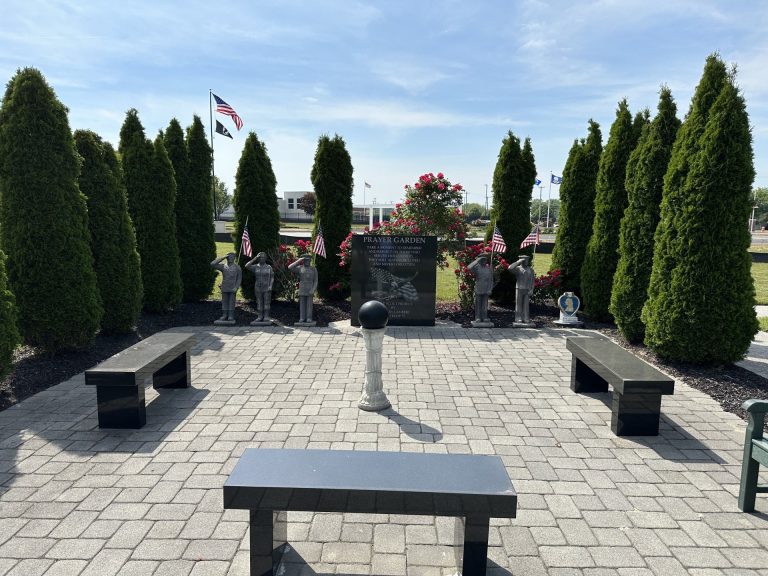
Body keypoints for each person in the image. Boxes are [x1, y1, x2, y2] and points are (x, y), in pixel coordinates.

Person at [210, 253, 242, 322]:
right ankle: (224, 315)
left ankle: (231, 315)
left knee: (231, 302)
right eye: (229, 257)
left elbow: (239, 279)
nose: (230, 258)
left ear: (234, 258)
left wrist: (236, 287)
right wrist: (223, 257)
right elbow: (212, 264)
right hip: (225, 286)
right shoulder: (223, 266)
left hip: (233, 287)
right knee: (224, 302)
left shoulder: (237, 267)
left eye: (232, 257)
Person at [288, 254, 319, 323]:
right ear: (303, 261)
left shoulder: (313, 269)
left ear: (310, 260)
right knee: (302, 304)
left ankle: (309, 318)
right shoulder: (300, 268)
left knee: (309, 304)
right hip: (302, 288)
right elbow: (290, 267)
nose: (307, 261)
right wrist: (299, 261)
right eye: (305, 260)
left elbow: (316, 281)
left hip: (310, 288)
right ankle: (302, 317)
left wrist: (313, 289)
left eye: (308, 260)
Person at [245, 252, 274, 322]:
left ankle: (266, 316)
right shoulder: (255, 267)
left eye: (263, 257)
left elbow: (272, 277)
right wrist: (255, 258)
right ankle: (260, 316)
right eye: (260, 257)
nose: (261, 259)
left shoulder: (269, 267)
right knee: (259, 302)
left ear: (266, 259)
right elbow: (247, 266)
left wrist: (270, 286)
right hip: (258, 287)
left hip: (266, 287)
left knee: (266, 302)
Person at [508, 255, 535, 323]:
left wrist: (532, 289)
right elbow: (510, 268)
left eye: (527, 260)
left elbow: (532, 281)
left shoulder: (530, 270)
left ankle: (526, 317)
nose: (526, 262)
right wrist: (518, 262)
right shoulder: (517, 269)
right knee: (518, 304)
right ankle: (518, 317)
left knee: (526, 305)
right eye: (524, 260)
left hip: (527, 289)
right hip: (519, 288)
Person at [467, 254, 493, 323]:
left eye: (485, 259)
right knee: (478, 304)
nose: (484, 261)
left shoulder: (489, 268)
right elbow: (469, 267)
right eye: (483, 259)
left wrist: (490, 289)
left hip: (486, 288)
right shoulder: (477, 268)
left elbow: (491, 280)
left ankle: (484, 317)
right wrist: (477, 260)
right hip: (479, 288)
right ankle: (478, 317)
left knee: (485, 304)